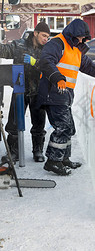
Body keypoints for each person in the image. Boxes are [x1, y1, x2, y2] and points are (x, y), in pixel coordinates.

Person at [38, 18, 95, 176]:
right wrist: (57, 77)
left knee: (69, 128)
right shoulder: (57, 44)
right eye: (80, 37)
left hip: (64, 94)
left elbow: (88, 66)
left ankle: (63, 158)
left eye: (83, 39)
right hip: (53, 92)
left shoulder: (76, 49)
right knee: (63, 127)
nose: (82, 40)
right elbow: (45, 61)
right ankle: (53, 161)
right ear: (73, 34)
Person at [0, 22, 50, 164]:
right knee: (14, 123)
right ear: (35, 33)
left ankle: (38, 150)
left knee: (39, 123)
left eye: (47, 36)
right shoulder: (19, 45)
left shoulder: (47, 50)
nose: (46, 39)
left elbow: (49, 67)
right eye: (43, 35)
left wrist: (36, 62)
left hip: (38, 91)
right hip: (20, 89)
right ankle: (13, 152)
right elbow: (4, 50)